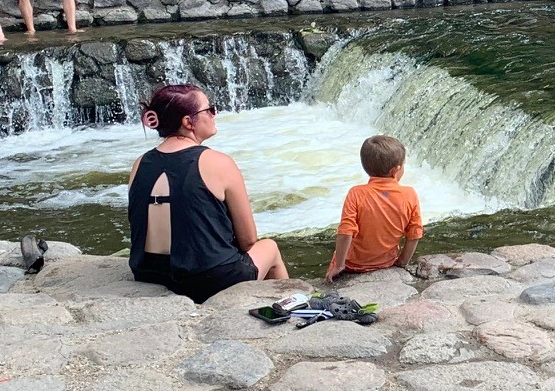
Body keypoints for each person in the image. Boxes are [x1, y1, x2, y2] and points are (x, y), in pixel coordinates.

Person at [127, 83, 288, 302]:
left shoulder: (140, 163)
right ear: (188, 122)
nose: (214, 114)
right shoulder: (218, 162)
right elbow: (249, 241)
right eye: (209, 110)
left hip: (148, 273)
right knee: (268, 247)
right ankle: (291, 308)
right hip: (206, 280)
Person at [325, 134, 425, 282]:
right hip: (386, 263)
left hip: (352, 265)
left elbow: (346, 232)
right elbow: (414, 234)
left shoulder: (356, 193)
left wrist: (339, 265)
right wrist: (402, 262)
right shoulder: (409, 194)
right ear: (396, 170)